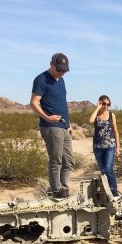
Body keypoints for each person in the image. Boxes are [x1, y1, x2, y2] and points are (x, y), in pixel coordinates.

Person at [30, 53, 74, 198]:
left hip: (64, 126)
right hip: (51, 126)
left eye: (64, 70)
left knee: (69, 161)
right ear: (51, 64)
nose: (61, 73)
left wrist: (69, 124)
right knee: (56, 160)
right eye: (59, 69)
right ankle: (56, 190)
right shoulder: (41, 79)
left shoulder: (61, 81)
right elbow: (34, 103)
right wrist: (47, 117)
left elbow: (62, 104)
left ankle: (64, 189)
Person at [89, 95, 120, 197]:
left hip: (110, 146)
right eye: (104, 104)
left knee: (108, 169)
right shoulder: (96, 114)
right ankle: (107, 193)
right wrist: (97, 108)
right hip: (98, 147)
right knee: (103, 171)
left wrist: (118, 148)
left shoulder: (112, 115)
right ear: (100, 103)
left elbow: (115, 132)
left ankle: (114, 193)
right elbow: (90, 121)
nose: (106, 106)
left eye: (108, 104)